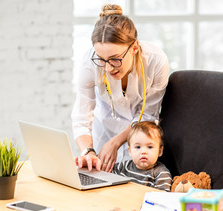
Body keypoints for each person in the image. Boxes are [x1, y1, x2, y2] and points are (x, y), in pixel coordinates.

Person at [72, 4, 169, 172]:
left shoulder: (156, 61)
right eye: (101, 59)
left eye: (115, 59)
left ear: (135, 47)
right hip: (103, 132)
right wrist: (88, 151)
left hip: (141, 143)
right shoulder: (89, 63)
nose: (108, 68)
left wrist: (116, 142)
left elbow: (147, 114)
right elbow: (81, 117)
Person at [112, 121, 172, 191]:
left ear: (160, 151)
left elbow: (161, 197)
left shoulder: (161, 174)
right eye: (138, 147)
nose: (143, 152)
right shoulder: (123, 167)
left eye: (149, 147)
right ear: (130, 151)